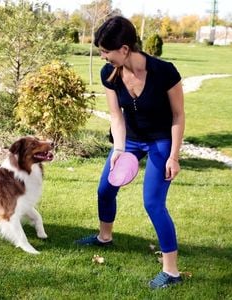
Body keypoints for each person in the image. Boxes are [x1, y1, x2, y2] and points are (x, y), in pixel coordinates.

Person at [75, 16, 185, 289]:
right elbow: (115, 116)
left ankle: (171, 272)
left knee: (153, 203)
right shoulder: (109, 74)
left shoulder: (164, 72)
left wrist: (173, 156)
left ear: (124, 49)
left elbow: (178, 115)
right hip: (131, 140)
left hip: (160, 140)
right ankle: (105, 237)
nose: (102, 56)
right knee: (105, 188)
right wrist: (120, 149)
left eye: (105, 51)